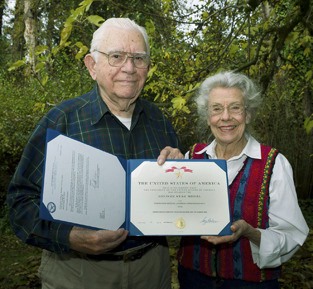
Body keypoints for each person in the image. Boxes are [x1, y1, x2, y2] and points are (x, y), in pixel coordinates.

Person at [7, 18, 183, 289]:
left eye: (138, 58)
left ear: (147, 66)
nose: (129, 68)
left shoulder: (160, 122)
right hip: (78, 271)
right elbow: (21, 202)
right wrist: (69, 236)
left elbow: (175, 203)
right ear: (92, 66)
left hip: (151, 267)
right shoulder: (60, 121)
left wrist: (180, 174)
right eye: (116, 56)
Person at [174, 71, 309, 288]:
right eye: (216, 109)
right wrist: (165, 170)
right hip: (192, 279)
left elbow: (292, 235)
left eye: (235, 107)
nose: (225, 117)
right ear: (207, 116)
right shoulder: (191, 157)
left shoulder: (274, 164)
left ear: (248, 114)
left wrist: (251, 233)